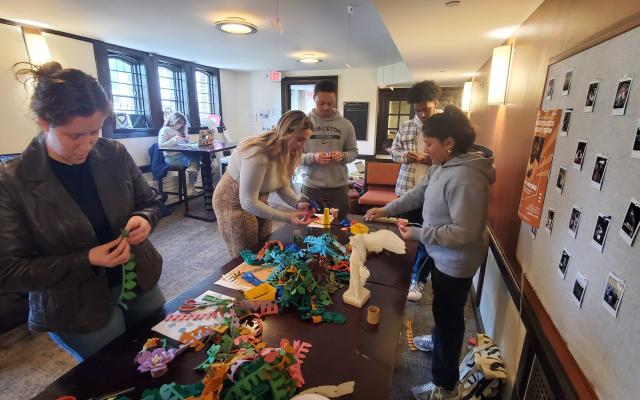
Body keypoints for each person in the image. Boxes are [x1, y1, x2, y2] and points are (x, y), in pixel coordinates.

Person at [0, 61, 165, 361]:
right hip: (76, 306)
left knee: (162, 353)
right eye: (75, 136)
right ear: (44, 122)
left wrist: (144, 218)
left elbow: (150, 200)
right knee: (113, 375)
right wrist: (86, 259)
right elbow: (9, 271)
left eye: (95, 131)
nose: (87, 144)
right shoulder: (12, 182)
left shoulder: (113, 153)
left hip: (139, 277)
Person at [365, 105, 495, 400]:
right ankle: (437, 341)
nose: (426, 150)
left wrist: (420, 234)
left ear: (449, 143)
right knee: (442, 307)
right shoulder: (443, 165)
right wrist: (386, 209)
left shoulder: (468, 177)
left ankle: (445, 387)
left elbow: (465, 232)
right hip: (442, 254)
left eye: (429, 144)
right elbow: (418, 194)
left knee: (449, 319)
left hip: (456, 260)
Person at [213, 110, 313, 258]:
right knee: (247, 257)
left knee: (266, 250)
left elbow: (282, 185)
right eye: (299, 140)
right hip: (233, 203)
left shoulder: (288, 151)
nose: (302, 146)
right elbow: (248, 202)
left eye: (305, 140)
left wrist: (298, 204)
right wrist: (288, 217)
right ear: (285, 133)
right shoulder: (258, 152)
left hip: (258, 201)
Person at [390, 80, 442, 302]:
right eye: (418, 110)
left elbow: (455, 156)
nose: (422, 114)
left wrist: (435, 159)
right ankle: (403, 276)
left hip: (434, 194)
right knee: (406, 234)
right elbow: (394, 151)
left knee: (427, 238)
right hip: (407, 189)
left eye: (426, 109)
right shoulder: (407, 126)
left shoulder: (445, 126)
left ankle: (419, 280)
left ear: (436, 104)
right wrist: (405, 156)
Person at [300, 80, 358, 219]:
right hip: (311, 187)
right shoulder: (303, 123)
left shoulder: (346, 124)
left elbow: (353, 152)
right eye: (321, 103)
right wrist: (313, 157)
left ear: (335, 100)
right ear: (313, 98)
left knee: (340, 228)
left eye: (330, 103)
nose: (326, 107)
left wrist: (343, 156)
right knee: (309, 229)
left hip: (339, 188)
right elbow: (292, 156)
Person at [158, 112, 201, 193]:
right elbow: (161, 146)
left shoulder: (181, 130)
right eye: (179, 122)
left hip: (183, 155)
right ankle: (191, 183)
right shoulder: (164, 130)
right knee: (195, 161)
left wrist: (188, 141)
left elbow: (185, 146)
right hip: (171, 157)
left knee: (199, 156)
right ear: (173, 120)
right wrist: (174, 139)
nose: (180, 125)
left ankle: (191, 182)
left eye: (182, 123)